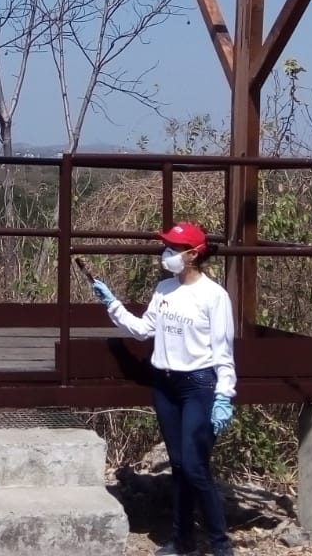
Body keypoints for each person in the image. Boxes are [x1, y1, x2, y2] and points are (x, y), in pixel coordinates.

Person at [90, 222, 237, 556]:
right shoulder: (164, 289)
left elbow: (223, 351)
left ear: (193, 254)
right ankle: (183, 541)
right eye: (166, 246)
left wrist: (223, 395)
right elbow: (143, 330)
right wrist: (113, 304)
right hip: (165, 385)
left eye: (174, 248)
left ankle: (221, 546)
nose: (166, 253)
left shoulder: (214, 297)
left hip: (198, 385)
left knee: (196, 466)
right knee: (180, 466)